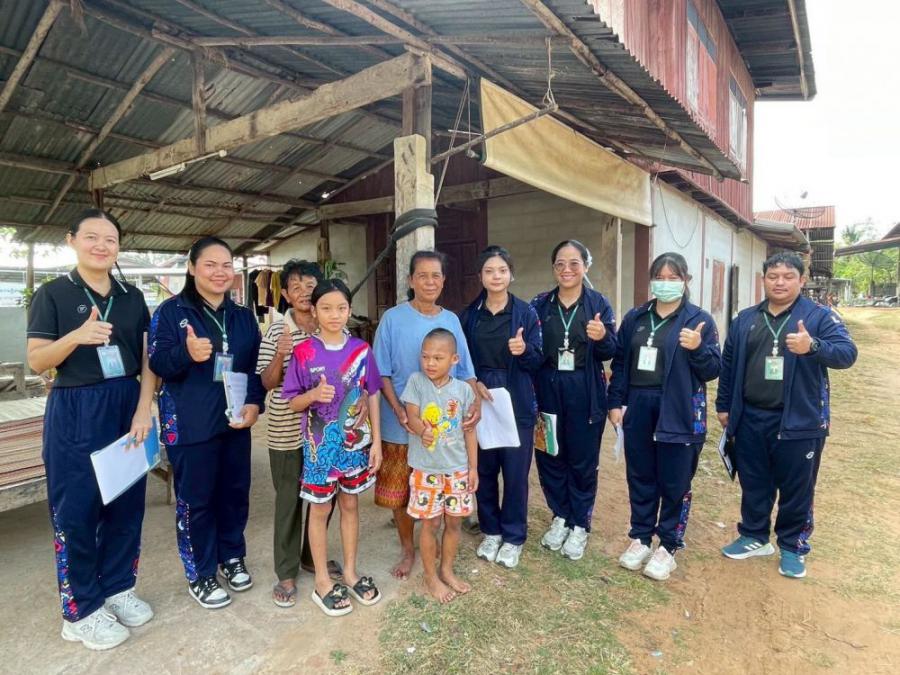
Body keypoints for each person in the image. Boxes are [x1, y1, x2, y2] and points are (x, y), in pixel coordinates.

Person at [26, 209, 156, 650]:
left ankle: (118, 588)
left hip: (127, 403)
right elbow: (37, 361)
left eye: (110, 239)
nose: (102, 246)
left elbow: (148, 359)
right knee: (77, 511)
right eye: (92, 237)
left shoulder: (131, 296)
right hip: (76, 407)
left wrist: (144, 409)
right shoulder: (52, 294)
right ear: (72, 240)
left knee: (126, 506)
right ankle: (80, 610)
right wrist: (76, 337)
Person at [716, 252, 857, 578]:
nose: (779, 282)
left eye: (788, 276)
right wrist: (724, 406)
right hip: (751, 417)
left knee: (797, 487)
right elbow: (729, 364)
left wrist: (814, 347)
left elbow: (847, 353)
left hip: (799, 420)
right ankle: (754, 536)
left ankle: (793, 546)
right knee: (754, 481)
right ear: (763, 279)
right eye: (773, 276)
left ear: (801, 280)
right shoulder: (745, 319)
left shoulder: (819, 317)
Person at [148, 237, 265, 609]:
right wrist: (186, 352)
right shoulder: (171, 312)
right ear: (192, 267)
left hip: (234, 421)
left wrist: (254, 404)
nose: (220, 272)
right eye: (210, 264)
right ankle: (199, 572)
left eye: (226, 265)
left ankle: (231, 556)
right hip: (190, 423)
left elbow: (252, 370)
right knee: (196, 500)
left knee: (234, 493)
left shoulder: (243, 316)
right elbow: (157, 364)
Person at [608, 253, 721, 581]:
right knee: (640, 475)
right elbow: (620, 363)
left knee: (675, 479)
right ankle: (641, 537)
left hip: (679, 408)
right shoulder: (636, 317)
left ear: (686, 281)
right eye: (660, 277)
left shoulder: (698, 320)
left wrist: (698, 348)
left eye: (674, 278)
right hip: (640, 405)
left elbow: (713, 369)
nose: (666, 283)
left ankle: (668, 546)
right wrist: (615, 402)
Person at [373, 250, 480, 580]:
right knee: (400, 493)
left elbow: (466, 370)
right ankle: (408, 549)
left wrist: (475, 403)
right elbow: (380, 372)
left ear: (443, 281)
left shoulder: (451, 321)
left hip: (443, 430)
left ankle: (438, 551)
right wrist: (398, 409)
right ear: (410, 280)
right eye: (422, 275)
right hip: (400, 423)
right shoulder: (392, 319)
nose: (429, 282)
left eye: (436, 276)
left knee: (438, 490)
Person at [282, 279, 383, 616]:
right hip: (319, 450)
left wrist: (377, 442)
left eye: (341, 308)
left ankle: (351, 573)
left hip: (355, 446)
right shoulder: (304, 352)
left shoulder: (361, 350)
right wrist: (313, 395)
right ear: (314, 311)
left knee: (351, 505)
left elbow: (372, 393)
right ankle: (322, 580)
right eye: (326, 308)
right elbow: (292, 402)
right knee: (320, 509)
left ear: (349, 310)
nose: (334, 314)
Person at [256, 259, 342, 608]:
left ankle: (310, 556)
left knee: (324, 497)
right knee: (288, 501)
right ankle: (286, 571)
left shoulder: (331, 326)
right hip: (287, 431)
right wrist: (281, 355)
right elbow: (266, 382)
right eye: (296, 287)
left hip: (324, 432)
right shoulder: (278, 330)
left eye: (310, 286)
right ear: (287, 296)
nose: (304, 292)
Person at [530, 240, 617, 561]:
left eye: (574, 263)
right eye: (560, 264)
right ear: (553, 268)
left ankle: (580, 523)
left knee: (582, 459)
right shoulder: (539, 304)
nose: (566, 270)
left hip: (585, 390)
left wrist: (602, 337)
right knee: (550, 454)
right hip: (547, 389)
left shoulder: (598, 303)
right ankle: (560, 516)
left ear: (585, 266)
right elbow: (531, 349)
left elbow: (613, 350)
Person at [460, 246, 542, 569]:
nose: (496, 276)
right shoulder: (469, 316)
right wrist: (473, 384)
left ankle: (513, 537)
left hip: (516, 399)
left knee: (515, 472)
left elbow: (539, 360)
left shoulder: (525, 313)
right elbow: (461, 362)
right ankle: (491, 531)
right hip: (480, 398)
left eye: (502, 270)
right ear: (480, 276)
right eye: (489, 271)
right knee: (484, 468)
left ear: (511, 274)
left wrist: (524, 350)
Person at [401, 328, 478, 603]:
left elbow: (470, 431)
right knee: (430, 523)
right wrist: (422, 430)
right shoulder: (416, 382)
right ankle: (430, 576)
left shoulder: (464, 390)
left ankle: (446, 570)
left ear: (454, 359)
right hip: (426, 470)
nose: (430, 363)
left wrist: (473, 468)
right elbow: (411, 415)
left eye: (438, 358)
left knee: (454, 522)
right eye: (425, 357)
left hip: (457, 468)